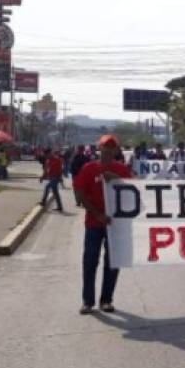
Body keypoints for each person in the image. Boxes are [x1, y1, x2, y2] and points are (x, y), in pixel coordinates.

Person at [73, 134, 132, 314]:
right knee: (90, 261)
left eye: (111, 148)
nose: (108, 151)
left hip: (116, 225)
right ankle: (88, 301)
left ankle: (106, 300)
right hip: (94, 223)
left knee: (113, 262)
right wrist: (97, 214)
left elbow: (132, 195)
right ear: (99, 149)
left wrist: (116, 179)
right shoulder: (89, 168)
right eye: (105, 147)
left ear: (115, 150)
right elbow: (80, 194)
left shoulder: (122, 170)